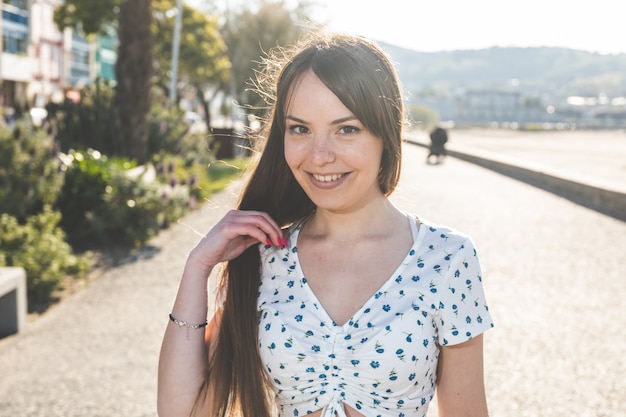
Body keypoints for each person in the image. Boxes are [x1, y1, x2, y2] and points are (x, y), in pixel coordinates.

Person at [158, 31, 494, 417]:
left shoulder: (447, 258)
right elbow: (181, 413)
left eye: (346, 129)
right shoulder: (265, 256)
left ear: (386, 133)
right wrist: (197, 267)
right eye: (300, 129)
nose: (319, 156)